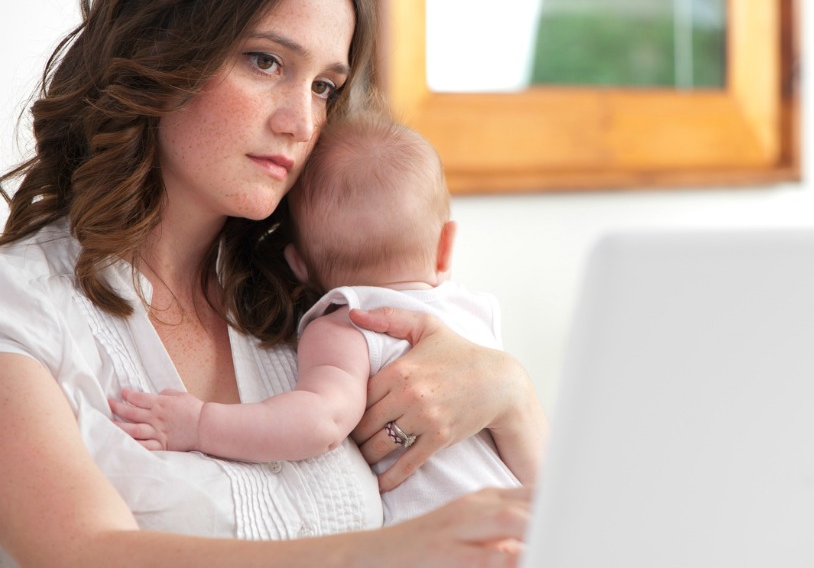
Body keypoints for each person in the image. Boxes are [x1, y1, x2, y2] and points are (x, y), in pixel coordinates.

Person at [0, 0, 548, 566]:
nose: (302, 122)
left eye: (324, 87)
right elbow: (81, 553)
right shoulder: (23, 311)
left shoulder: (316, 295)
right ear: (160, 46)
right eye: (266, 61)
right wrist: (387, 553)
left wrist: (512, 395)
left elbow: (554, 525)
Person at [111, 112, 526, 525]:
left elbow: (320, 422)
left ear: (298, 265)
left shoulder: (349, 322)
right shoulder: (474, 314)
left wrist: (200, 424)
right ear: (446, 245)